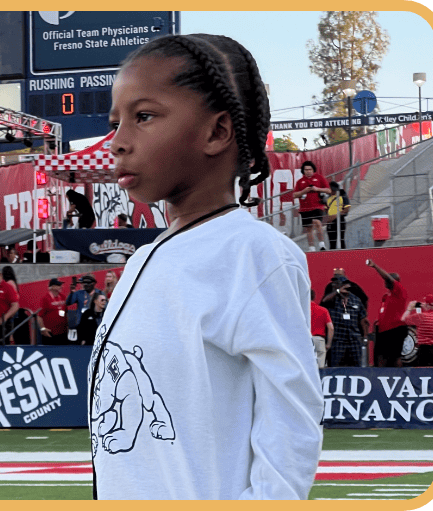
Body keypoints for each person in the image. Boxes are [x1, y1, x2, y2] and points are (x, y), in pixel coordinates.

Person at [89, 34, 323, 500]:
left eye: (144, 117)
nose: (117, 143)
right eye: (116, 123)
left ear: (216, 132)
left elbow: (292, 428)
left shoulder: (254, 254)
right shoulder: (141, 259)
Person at [367, 259, 408, 368]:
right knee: (380, 356)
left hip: (396, 329)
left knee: (395, 357)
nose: (385, 282)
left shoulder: (400, 290)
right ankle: (382, 377)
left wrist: (375, 266)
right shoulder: (386, 296)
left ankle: (400, 377)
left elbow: (387, 277)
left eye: (388, 280)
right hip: (383, 330)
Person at [325, 278, 369, 367]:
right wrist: (337, 291)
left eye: (341, 283)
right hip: (338, 339)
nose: (337, 285)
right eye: (337, 284)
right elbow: (324, 301)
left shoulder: (356, 300)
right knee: (335, 365)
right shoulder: (333, 298)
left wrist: (365, 336)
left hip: (354, 339)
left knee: (356, 365)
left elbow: (363, 319)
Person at [292, 161, 331, 252]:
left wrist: (317, 189)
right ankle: (312, 248)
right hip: (305, 208)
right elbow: (294, 195)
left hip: (318, 206)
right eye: (306, 170)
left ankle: (322, 245)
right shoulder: (300, 182)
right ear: (303, 171)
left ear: (313, 170)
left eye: (310, 169)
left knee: (317, 222)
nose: (308, 171)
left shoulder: (319, 178)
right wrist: (304, 191)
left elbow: (328, 190)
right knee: (309, 228)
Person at [401, 294, 433, 367]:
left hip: (424, 350)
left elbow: (403, 320)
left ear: (427, 305)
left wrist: (409, 309)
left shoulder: (420, 317)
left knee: (422, 373)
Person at [66, 275, 102, 343]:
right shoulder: (78, 293)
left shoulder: (99, 293)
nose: (83, 285)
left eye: (85, 283)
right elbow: (69, 302)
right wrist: (72, 292)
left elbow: (104, 306)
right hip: (82, 325)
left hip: (96, 324)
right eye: (83, 283)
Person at [37, 278, 68, 345]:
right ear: (52, 287)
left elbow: (65, 312)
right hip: (50, 333)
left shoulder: (63, 297)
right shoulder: (45, 298)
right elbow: (39, 316)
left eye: (61, 285)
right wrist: (43, 329)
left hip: (63, 332)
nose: (61, 287)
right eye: (58, 285)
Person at [310, 289, 334, 369]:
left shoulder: (301, 310)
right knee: (320, 366)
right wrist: (328, 344)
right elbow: (331, 328)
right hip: (319, 340)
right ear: (314, 297)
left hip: (305, 339)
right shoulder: (323, 310)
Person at [324, 181, 350, 250]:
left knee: (341, 239)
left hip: (340, 220)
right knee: (332, 241)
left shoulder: (342, 196)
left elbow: (346, 209)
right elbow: (326, 210)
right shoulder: (327, 198)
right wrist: (328, 218)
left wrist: (336, 216)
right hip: (330, 222)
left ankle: (343, 255)